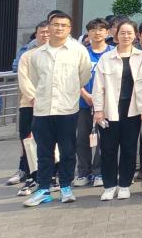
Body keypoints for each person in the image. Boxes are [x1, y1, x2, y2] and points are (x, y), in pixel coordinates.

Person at [18, 12, 92, 207]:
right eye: (55, 24)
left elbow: (84, 76)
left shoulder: (78, 51)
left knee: (68, 151)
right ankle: (43, 189)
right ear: (48, 27)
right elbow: (35, 79)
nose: (59, 28)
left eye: (63, 25)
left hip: (67, 109)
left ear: (69, 29)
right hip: (42, 110)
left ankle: (66, 186)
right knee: (44, 152)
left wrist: (70, 90)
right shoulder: (37, 54)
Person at [93, 19, 142, 202]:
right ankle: (109, 186)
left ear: (136, 36)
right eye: (122, 33)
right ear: (116, 35)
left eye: (129, 33)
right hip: (110, 110)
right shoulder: (106, 58)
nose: (126, 36)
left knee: (129, 148)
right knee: (108, 149)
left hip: (132, 110)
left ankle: (125, 184)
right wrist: (98, 110)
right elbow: (98, 86)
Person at [11, 21, 49, 196]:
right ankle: (31, 177)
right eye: (42, 32)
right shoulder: (27, 56)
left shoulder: (60, 54)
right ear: (36, 34)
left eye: (48, 32)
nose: (46, 35)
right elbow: (23, 79)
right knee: (28, 141)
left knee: (51, 142)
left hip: (52, 105)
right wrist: (34, 98)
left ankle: (52, 176)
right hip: (29, 104)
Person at [75, 18, 111, 188]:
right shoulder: (81, 53)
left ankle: (99, 172)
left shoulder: (112, 52)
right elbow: (73, 76)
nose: (97, 33)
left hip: (106, 105)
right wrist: (85, 94)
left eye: (101, 29)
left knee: (104, 139)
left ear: (107, 32)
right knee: (82, 138)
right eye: (93, 29)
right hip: (84, 103)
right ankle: (83, 172)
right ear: (88, 33)